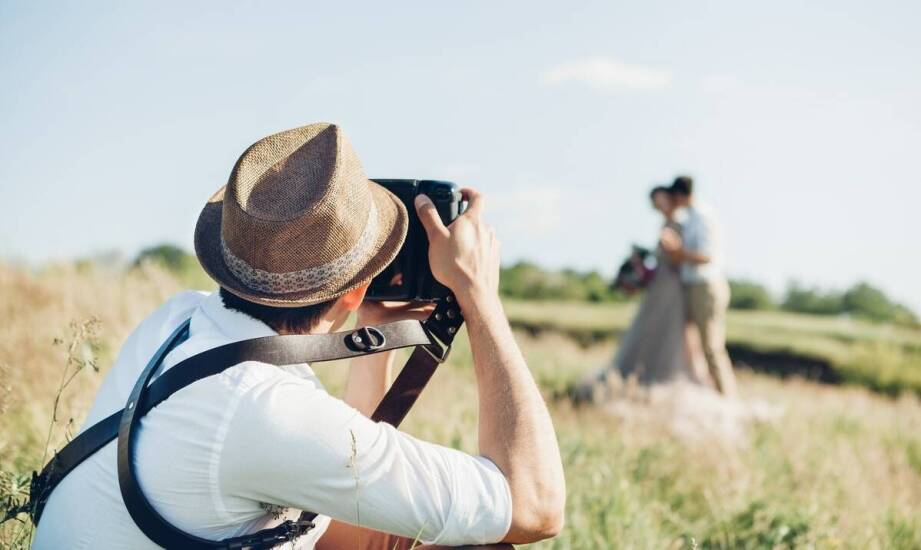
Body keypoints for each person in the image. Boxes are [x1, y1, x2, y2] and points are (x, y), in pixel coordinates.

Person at [33, 123, 566, 549]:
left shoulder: (179, 319)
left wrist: (372, 329)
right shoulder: (265, 410)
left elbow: (348, 519)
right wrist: (479, 298)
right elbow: (535, 507)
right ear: (354, 288)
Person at [573, 186, 704, 401]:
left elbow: (679, 256)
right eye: (656, 203)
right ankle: (639, 373)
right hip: (659, 284)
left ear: (671, 199)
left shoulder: (682, 224)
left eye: (662, 201)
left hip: (672, 285)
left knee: (670, 330)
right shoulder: (665, 223)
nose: (660, 206)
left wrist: (671, 251)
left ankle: (663, 374)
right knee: (648, 327)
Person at [660, 175, 737, 396]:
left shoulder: (703, 217)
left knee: (711, 346)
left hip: (706, 286)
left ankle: (727, 396)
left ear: (680, 196)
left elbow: (706, 256)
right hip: (694, 286)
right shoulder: (690, 217)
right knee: (693, 345)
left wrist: (677, 252)